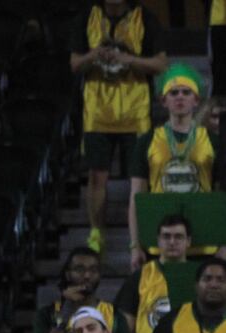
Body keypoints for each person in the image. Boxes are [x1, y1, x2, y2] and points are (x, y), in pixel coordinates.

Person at [72, 0, 168, 253]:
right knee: (96, 176)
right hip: (97, 110)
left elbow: (160, 65)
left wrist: (127, 59)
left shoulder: (145, 18)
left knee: (138, 180)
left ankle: (138, 237)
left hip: (135, 111)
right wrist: (95, 54)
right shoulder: (86, 16)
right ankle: (96, 234)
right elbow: (74, 64)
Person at [128, 65, 216, 268]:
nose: (180, 97)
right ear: (163, 101)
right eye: (173, 93)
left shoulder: (212, 140)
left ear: (196, 100)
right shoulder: (147, 141)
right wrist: (135, 245)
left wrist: (225, 246)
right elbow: (136, 197)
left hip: (204, 240)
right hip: (160, 241)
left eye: (186, 92)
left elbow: (223, 194)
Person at [115, 214, 190, 333]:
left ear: (188, 241)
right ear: (158, 240)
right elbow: (125, 330)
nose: (172, 242)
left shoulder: (200, 277)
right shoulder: (140, 277)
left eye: (178, 237)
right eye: (166, 236)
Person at [33, 247, 128, 333]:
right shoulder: (46, 314)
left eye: (93, 270)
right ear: (68, 274)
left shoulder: (115, 316)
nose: (87, 275)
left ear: (99, 275)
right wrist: (66, 312)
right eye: (79, 269)